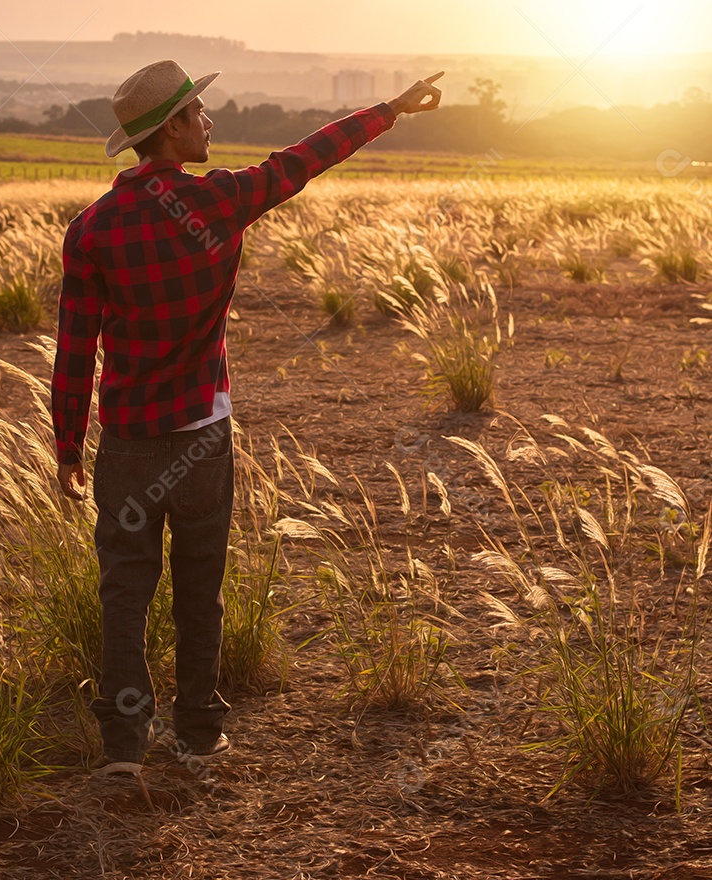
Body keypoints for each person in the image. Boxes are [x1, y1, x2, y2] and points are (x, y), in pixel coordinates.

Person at [51, 58, 443, 777]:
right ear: (173, 129)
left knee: (124, 592)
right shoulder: (220, 200)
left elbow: (75, 347)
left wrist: (68, 444)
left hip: (128, 443)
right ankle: (199, 735)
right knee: (200, 587)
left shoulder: (92, 228)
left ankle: (123, 749)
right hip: (202, 437)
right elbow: (305, 159)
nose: (209, 121)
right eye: (198, 113)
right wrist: (389, 110)